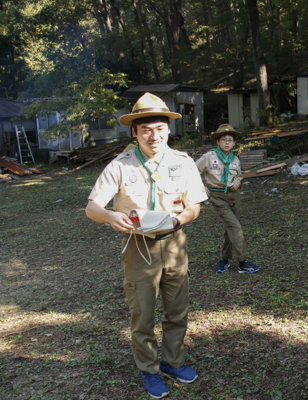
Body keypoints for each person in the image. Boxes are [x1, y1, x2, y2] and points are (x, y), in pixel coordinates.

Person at [85, 92, 208, 399]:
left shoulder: (183, 162)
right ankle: (149, 370)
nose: (154, 135)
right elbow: (92, 207)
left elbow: (195, 206)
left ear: (169, 129)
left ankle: (172, 362)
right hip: (137, 248)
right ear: (134, 132)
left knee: (177, 310)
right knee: (143, 314)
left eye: (160, 128)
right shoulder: (121, 165)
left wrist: (180, 221)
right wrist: (109, 215)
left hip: (174, 244)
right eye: (146, 130)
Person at [195, 123, 262, 274]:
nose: (227, 142)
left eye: (230, 140)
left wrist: (238, 181)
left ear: (233, 143)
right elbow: (192, 170)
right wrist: (201, 187)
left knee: (230, 228)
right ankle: (243, 262)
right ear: (217, 142)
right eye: (223, 139)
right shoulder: (209, 157)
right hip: (217, 196)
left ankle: (224, 259)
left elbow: (238, 175)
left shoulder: (234, 159)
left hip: (234, 196)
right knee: (235, 227)